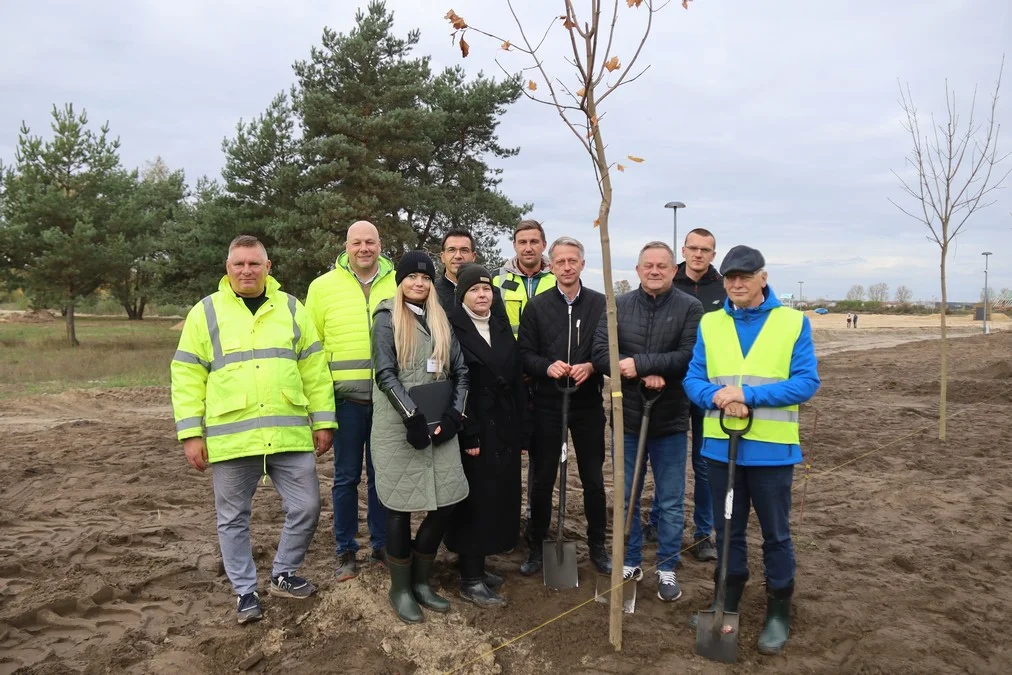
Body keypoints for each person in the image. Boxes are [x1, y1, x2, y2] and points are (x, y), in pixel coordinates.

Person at [171, 235, 337, 624]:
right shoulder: (205, 312)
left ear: (268, 266)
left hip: (289, 433)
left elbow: (314, 369)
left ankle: (284, 573)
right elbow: (187, 375)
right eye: (239, 264)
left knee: (307, 506)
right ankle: (246, 593)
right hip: (233, 438)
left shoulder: (292, 309)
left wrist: (325, 420)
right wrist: (191, 433)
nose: (247, 270)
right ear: (227, 268)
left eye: (254, 264)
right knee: (232, 518)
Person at [683, 245, 820, 655]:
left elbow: (806, 382)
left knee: (776, 535)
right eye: (730, 277)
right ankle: (726, 600)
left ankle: (778, 610)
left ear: (763, 277)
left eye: (745, 276)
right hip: (721, 448)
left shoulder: (793, 322)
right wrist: (719, 397)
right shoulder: (710, 323)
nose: (736, 283)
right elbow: (693, 379)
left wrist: (749, 395)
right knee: (726, 533)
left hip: (772, 452)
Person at [592, 241, 702, 602]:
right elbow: (601, 352)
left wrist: (647, 365)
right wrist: (639, 371)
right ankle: (630, 561)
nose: (654, 271)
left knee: (670, 501)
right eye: (648, 266)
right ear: (637, 271)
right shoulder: (618, 307)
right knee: (626, 498)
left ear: (674, 270)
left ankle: (668, 567)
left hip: (670, 419)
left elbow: (690, 354)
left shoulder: (690, 308)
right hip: (627, 419)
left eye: (662, 266)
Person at [370, 251, 470, 624]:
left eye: (426, 278)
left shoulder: (440, 318)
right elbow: (385, 373)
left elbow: (461, 371)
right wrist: (411, 418)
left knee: (446, 502)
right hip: (399, 427)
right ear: (400, 282)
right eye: (412, 277)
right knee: (398, 507)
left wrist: (454, 416)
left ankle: (421, 580)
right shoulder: (386, 319)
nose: (419, 283)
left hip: (439, 426)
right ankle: (400, 587)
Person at [517, 236, 611, 576]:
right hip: (547, 402)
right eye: (560, 261)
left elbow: (609, 349)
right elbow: (524, 354)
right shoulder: (537, 307)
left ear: (582, 264)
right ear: (551, 266)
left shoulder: (601, 304)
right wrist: (546, 366)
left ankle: (598, 544)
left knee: (593, 478)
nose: (567, 267)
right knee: (542, 478)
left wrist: (592, 365)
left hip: (586, 403)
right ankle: (537, 546)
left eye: (573, 260)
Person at [305, 221, 394, 582]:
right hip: (344, 403)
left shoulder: (398, 281)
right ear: (346, 246)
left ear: (380, 244)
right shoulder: (322, 288)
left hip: (388, 403)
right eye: (356, 242)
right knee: (344, 479)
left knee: (382, 478)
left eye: (370, 242)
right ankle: (345, 549)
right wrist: (320, 414)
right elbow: (311, 354)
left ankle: (382, 544)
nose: (364, 248)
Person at [445, 264, 527, 607]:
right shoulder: (452, 329)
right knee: (473, 501)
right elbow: (454, 384)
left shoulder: (499, 324)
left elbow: (516, 374)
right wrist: (469, 434)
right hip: (473, 427)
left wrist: (522, 429)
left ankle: (482, 565)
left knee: (498, 496)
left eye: (487, 290)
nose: (482, 296)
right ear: (462, 295)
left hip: (504, 427)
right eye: (475, 290)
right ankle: (470, 577)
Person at [644, 228, 724, 561]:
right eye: (693, 248)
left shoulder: (723, 290)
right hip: (671, 386)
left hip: (709, 388)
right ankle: (657, 521)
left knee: (704, 463)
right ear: (684, 250)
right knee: (665, 461)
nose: (698, 254)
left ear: (713, 254)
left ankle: (703, 533)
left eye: (706, 249)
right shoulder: (668, 283)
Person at [494, 219, 557, 337]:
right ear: (514, 245)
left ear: (544, 245)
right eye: (522, 242)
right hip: (508, 353)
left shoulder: (558, 278)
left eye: (534, 242)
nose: (528, 248)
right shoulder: (496, 278)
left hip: (547, 354)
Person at [434, 229, 508, 323]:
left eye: (464, 250)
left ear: (473, 256)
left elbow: (502, 332)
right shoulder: (431, 291)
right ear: (442, 256)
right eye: (451, 250)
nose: (458, 256)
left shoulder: (491, 293)